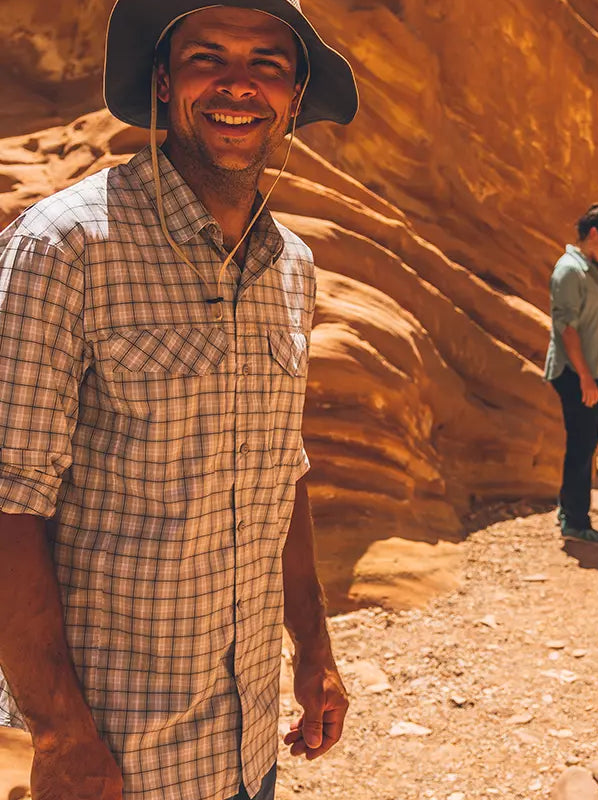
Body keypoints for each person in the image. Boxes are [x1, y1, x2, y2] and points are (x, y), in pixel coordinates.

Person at [0, 1, 358, 799]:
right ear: (163, 81)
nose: (239, 84)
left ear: (295, 97)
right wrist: (60, 734)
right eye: (208, 57)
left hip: (246, 746)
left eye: (268, 63)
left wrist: (314, 648)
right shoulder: (66, 245)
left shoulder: (290, 266)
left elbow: (281, 469)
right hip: (116, 756)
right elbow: (9, 501)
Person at [544, 203, 598, 544]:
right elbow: (567, 329)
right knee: (581, 445)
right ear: (594, 233)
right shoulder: (569, 271)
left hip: (588, 372)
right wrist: (585, 377)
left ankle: (570, 513)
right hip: (573, 373)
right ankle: (575, 523)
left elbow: (590, 326)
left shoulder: (588, 270)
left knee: (585, 443)